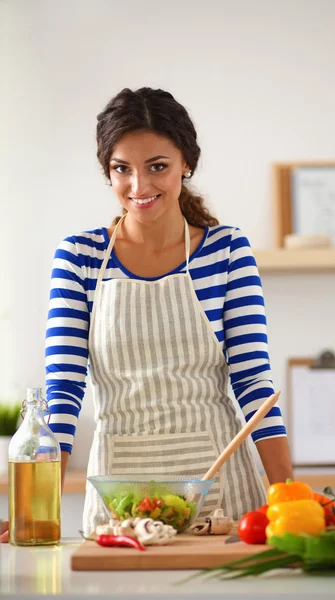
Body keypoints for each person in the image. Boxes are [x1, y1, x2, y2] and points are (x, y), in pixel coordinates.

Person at [1, 87, 293, 541]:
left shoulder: (226, 250)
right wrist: (37, 513)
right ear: (108, 172)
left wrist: (288, 494)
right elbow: (64, 388)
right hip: (117, 501)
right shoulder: (79, 256)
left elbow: (254, 381)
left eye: (157, 166)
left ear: (186, 164)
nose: (139, 187)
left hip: (219, 493)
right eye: (122, 169)